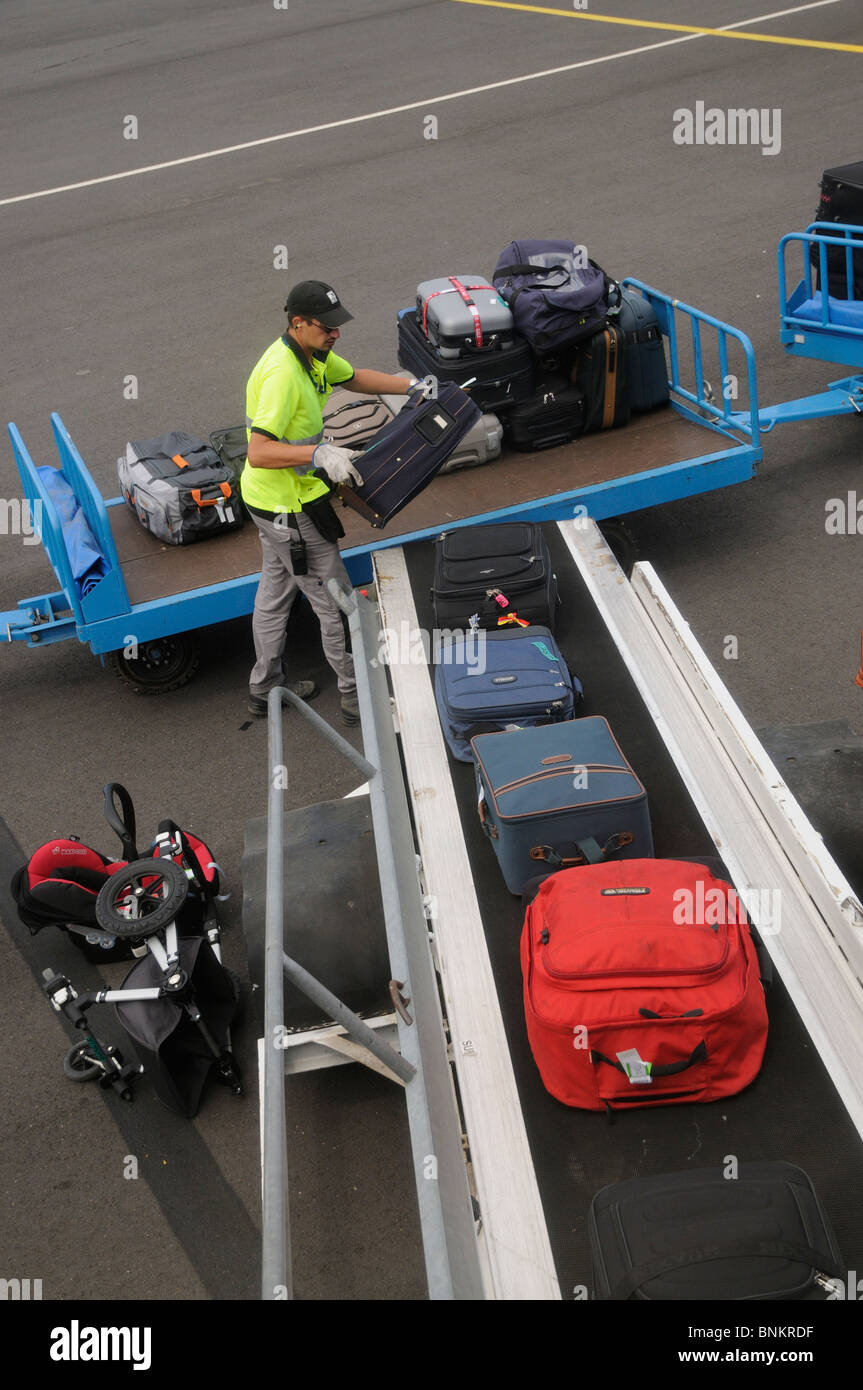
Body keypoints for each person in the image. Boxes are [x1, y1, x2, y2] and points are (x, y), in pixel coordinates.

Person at [241, 280, 421, 724]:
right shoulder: (284, 374)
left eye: (338, 326)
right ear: (298, 324)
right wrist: (318, 453)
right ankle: (356, 694)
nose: (336, 334)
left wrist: (413, 388)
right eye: (327, 327)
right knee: (335, 601)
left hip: (269, 503)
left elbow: (354, 377)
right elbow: (259, 451)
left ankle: (265, 688)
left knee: (275, 594)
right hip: (289, 507)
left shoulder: (312, 355)